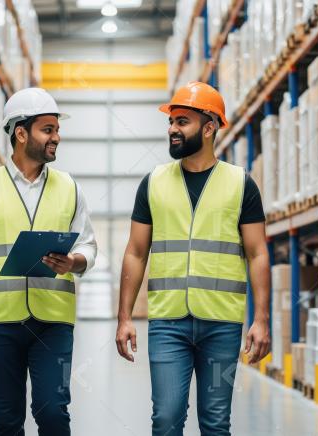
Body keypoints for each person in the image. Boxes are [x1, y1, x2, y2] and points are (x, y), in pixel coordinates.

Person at [115, 81, 271, 435]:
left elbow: (258, 253)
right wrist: (124, 317)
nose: (172, 130)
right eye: (170, 122)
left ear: (209, 127)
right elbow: (136, 252)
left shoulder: (240, 183)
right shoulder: (153, 183)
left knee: (216, 423)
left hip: (222, 324)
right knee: (166, 419)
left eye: (182, 121)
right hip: (168, 323)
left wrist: (261, 320)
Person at [0, 87, 97, 436]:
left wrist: (73, 261)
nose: (56, 138)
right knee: (7, 419)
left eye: (57, 130)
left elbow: (89, 246)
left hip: (53, 321)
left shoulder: (70, 188)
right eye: (48, 129)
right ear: (21, 133)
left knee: (54, 413)